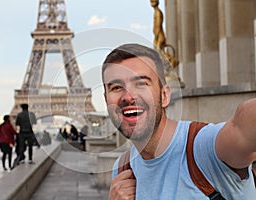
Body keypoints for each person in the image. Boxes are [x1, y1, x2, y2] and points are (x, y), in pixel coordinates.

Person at [102, 43, 256, 199]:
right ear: (106, 99)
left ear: (164, 95)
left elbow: (241, 126)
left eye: (141, 83)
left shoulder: (205, 148)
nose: (128, 96)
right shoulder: (123, 168)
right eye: (116, 87)